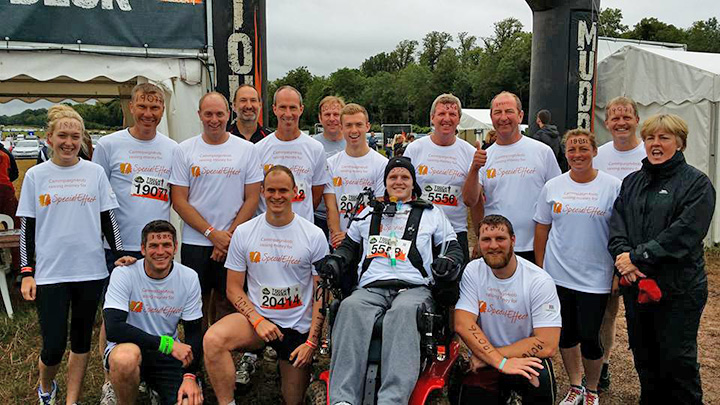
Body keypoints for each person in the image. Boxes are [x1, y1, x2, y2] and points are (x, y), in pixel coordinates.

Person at [321, 156, 464, 404]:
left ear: (413, 182)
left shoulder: (432, 214)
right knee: (349, 307)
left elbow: (453, 247)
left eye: (404, 177)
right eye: (393, 177)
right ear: (385, 182)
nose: (398, 181)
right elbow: (347, 248)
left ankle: (392, 398)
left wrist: (448, 261)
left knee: (404, 312)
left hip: (414, 288)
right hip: (372, 287)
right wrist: (335, 261)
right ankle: (343, 398)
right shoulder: (367, 214)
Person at [16, 104, 125, 405]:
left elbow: (109, 220)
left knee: (80, 340)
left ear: (82, 139)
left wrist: (118, 258)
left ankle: (72, 400)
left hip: (90, 271)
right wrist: (26, 271)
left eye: (75, 137)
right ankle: (47, 387)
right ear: (49, 138)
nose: (69, 142)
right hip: (51, 273)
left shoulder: (95, 173)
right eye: (62, 135)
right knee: (52, 345)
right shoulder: (36, 176)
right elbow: (27, 227)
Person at [608, 113, 716, 404]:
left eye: (664, 138)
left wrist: (637, 258)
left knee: (677, 363)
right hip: (636, 288)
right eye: (650, 138)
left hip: (679, 290)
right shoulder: (632, 182)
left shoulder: (697, 184)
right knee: (645, 359)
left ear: (680, 144)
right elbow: (617, 224)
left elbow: (684, 233)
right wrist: (622, 257)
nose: (656, 144)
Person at [203, 166, 328, 405]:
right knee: (213, 339)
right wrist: (257, 319)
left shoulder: (313, 235)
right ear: (262, 192)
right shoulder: (245, 232)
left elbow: (321, 295)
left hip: (296, 328)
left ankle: (296, 370)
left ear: (295, 193)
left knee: (293, 399)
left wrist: (312, 342)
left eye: (283, 190)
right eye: (271, 190)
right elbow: (233, 288)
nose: (277, 196)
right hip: (257, 322)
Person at [93, 82, 180, 404]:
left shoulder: (172, 148)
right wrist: (111, 245)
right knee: (115, 312)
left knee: (156, 309)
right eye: (142, 107)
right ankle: (110, 379)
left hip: (158, 247)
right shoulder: (109, 145)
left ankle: (153, 372)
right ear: (131, 107)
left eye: (154, 108)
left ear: (162, 111)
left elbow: (178, 194)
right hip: (118, 243)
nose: (148, 114)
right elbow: (96, 194)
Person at [533, 129, 621, 405]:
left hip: (596, 276)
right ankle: (575, 385)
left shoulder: (613, 186)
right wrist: (541, 269)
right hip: (559, 275)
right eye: (572, 149)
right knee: (567, 334)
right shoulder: (553, 186)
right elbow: (542, 229)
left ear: (595, 152)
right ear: (566, 153)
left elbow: (622, 233)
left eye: (584, 149)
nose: (578, 154)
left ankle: (592, 389)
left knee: (590, 336)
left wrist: (617, 272)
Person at [170, 92, 263, 328]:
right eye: (208, 114)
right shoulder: (184, 150)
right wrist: (212, 234)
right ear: (199, 115)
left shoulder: (247, 150)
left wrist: (228, 237)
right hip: (197, 241)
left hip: (234, 241)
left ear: (228, 114)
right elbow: (179, 201)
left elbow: (252, 198)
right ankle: (196, 355)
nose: (214, 119)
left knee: (229, 302)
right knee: (196, 303)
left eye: (219, 114)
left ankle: (225, 356)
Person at [455, 215, 561, 404]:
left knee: (541, 382)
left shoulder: (539, 281)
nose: (493, 246)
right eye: (486, 240)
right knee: (463, 392)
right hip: (486, 357)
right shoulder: (473, 270)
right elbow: (463, 323)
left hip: (519, 357)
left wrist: (492, 358)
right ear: (478, 244)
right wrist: (499, 362)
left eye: (500, 239)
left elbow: (547, 344)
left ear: (513, 240)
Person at [103, 220, 203, 405]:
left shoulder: (189, 277)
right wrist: (167, 344)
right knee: (125, 359)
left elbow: (194, 332)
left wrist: (190, 377)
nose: (160, 251)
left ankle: (155, 387)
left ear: (175, 248)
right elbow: (113, 328)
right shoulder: (124, 273)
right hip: (130, 348)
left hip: (166, 355)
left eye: (166, 245)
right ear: (142, 249)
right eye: (153, 246)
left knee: (189, 402)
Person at [462, 91, 561, 264]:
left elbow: (558, 198)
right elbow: (470, 200)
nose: (503, 118)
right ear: (491, 118)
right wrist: (474, 169)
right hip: (496, 247)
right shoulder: (485, 156)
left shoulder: (542, 152)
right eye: (497, 113)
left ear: (520, 115)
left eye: (509, 111)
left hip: (534, 247)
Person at [593, 96, 646, 391]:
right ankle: (603, 365)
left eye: (626, 117)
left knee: (644, 315)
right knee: (607, 313)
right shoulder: (598, 155)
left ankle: (651, 375)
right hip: (607, 244)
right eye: (615, 118)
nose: (621, 122)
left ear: (636, 119)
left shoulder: (648, 153)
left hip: (642, 246)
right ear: (607, 123)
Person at [404, 93, 482, 264]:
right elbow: (401, 192)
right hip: (419, 230)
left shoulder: (470, 153)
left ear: (459, 119)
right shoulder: (414, 149)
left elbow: (472, 200)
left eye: (452, 114)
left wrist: (475, 167)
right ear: (432, 118)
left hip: (455, 232)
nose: (447, 119)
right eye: (441, 114)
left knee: (453, 289)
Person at [255, 86, 337, 233]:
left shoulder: (315, 148)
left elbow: (316, 193)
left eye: (292, 107)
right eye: (282, 107)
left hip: (302, 232)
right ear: (274, 109)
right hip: (266, 232)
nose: (288, 114)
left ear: (301, 109)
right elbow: (255, 193)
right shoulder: (258, 149)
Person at [324, 103, 387, 248]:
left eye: (358, 124)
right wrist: (336, 235)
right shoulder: (331, 164)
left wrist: (352, 235)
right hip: (339, 242)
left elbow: (379, 206)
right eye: (348, 125)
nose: (354, 130)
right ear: (341, 128)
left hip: (368, 240)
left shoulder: (382, 164)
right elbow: (331, 206)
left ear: (367, 126)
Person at [312, 96, 347, 238]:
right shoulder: (312, 145)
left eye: (336, 114)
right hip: (317, 215)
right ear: (320, 118)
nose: (332, 118)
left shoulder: (353, 142)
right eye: (327, 114)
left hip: (346, 217)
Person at [0, 139, 19, 271]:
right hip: (5, 189)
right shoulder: (5, 152)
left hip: (5, 190)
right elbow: (15, 173)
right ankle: (19, 266)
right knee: (15, 227)